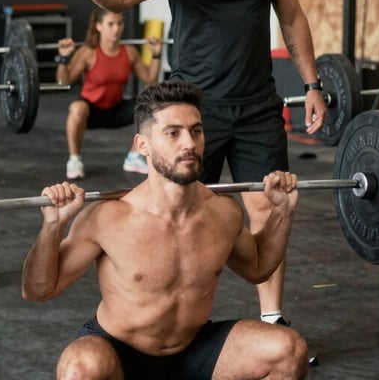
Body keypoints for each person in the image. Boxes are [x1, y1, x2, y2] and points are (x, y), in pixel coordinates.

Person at [51, 0, 326, 326]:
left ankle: (272, 320)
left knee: (268, 207)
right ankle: (175, 320)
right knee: (184, 213)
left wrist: (313, 83)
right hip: (194, 111)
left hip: (258, 105)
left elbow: (292, 16)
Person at [22, 81, 308, 379]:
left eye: (196, 131)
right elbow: (37, 290)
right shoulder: (107, 218)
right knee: (80, 368)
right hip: (120, 352)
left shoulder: (223, 213)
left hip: (194, 348)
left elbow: (259, 268)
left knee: (288, 351)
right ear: (142, 145)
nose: (189, 143)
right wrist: (52, 227)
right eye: (173, 133)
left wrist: (282, 213)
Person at [55, 8, 162, 179]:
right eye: (110, 24)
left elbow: (150, 79)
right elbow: (63, 82)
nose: (116, 29)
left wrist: (156, 54)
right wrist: (63, 58)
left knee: (152, 106)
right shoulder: (88, 52)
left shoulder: (129, 52)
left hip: (115, 109)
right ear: (99, 26)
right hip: (90, 111)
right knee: (76, 107)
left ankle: (134, 156)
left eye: (119, 23)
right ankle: (74, 160)